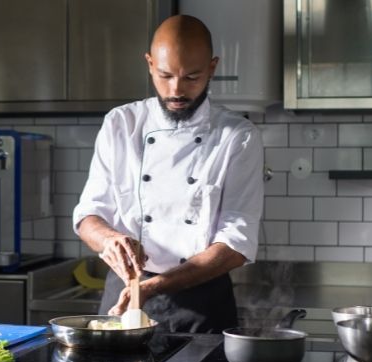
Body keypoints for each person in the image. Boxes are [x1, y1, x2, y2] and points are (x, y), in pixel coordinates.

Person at [72, 14, 264, 333]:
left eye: (192, 77)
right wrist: (109, 238)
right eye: (165, 76)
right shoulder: (121, 124)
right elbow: (88, 213)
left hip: (203, 303)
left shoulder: (237, 136)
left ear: (212, 68)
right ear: (149, 64)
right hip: (124, 292)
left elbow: (236, 242)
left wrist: (154, 286)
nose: (176, 90)